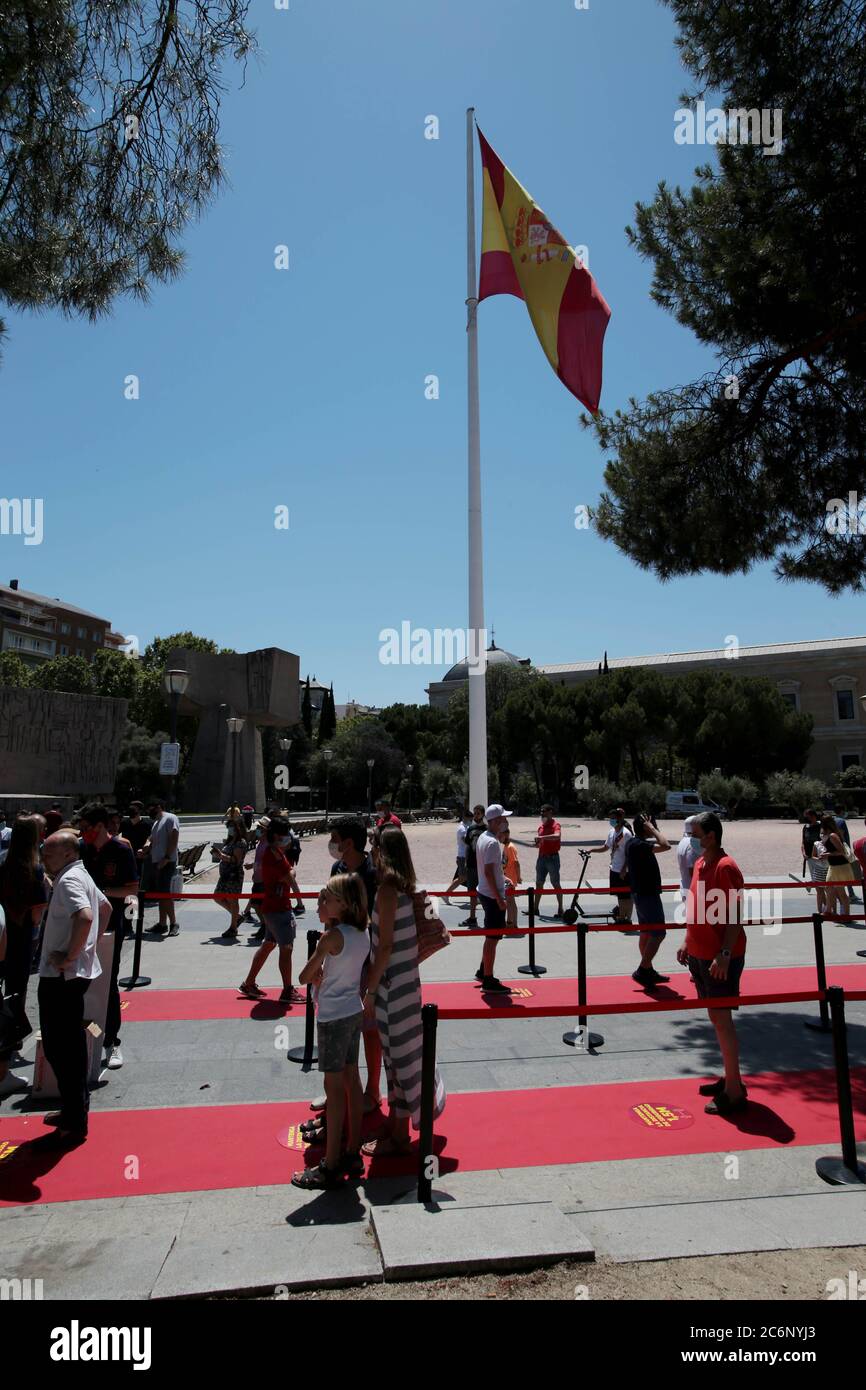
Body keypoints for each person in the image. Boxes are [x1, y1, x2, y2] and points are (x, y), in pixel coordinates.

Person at [361, 826, 445, 1156]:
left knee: (396, 1059)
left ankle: (398, 1136)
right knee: (401, 1056)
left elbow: (384, 948)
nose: (371, 852)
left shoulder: (386, 891)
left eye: (374, 847)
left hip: (390, 986)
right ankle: (395, 1126)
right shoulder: (406, 888)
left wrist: (369, 991)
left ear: (384, 852)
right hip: (407, 984)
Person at [292, 874, 371, 1188]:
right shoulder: (362, 933)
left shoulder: (331, 938)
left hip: (333, 1017)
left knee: (334, 1087)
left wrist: (317, 972)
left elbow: (303, 975)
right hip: (353, 1010)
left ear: (343, 903)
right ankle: (353, 1149)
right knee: (353, 1080)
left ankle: (332, 1162)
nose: (320, 904)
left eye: (326, 898)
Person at [37, 831, 112, 1145]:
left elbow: (86, 916)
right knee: (70, 1046)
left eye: (49, 854)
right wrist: (87, 950)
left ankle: (73, 1120)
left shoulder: (69, 881)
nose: (44, 859)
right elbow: (105, 909)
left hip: (61, 977)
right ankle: (74, 1109)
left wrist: (71, 955)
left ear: (68, 854)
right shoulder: (79, 874)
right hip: (73, 975)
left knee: (61, 1048)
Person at [677, 811, 747, 1115]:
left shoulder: (725, 866)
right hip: (700, 954)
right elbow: (697, 905)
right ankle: (730, 1078)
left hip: (719, 958)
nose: (691, 840)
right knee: (716, 1020)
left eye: (696, 834)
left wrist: (725, 953)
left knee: (722, 1021)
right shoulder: (702, 863)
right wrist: (686, 941)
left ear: (711, 836)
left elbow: (734, 913)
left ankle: (734, 1091)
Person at [78, 803, 140, 1071]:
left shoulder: (121, 850)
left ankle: (112, 1042)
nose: (83, 833)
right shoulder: (82, 849)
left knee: (108, 983)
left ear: (100, 826)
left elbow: (131, 890)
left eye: (86, 828)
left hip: (111, 927)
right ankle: (84, 1037)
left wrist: (99, 892)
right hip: (82, 927)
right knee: (81, 984)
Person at [326, 816, 381, 1114]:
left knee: (369, 1028)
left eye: (335, 838)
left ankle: (372, 1090)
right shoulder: (337, 868)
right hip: (338, 959)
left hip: (366, 960)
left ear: (348, 842)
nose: (332, 844)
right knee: (337, 1026)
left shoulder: (373, 873)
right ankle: (339, 1087)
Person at [0, 815, 49, 1069]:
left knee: (6, 988)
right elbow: (38, 911)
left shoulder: (4, 861)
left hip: (5, 932)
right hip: (24, 936)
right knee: (17, 991)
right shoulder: (35, 868)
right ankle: (10, 1043)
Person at [238, 816, 303, 1002]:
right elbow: (290, 876)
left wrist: (289, 873)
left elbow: (288, 874)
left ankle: (249, 983)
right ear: (275, 835)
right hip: (279, 909)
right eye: (284, 835)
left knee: (269, 944)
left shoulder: (276, 852)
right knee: (286, 948)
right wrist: (290, 875)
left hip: (273, 907)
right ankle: (288, 989)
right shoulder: (274, 854)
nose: (288, 838)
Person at [625, 812, 671, 988]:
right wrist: (652, 828)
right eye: (653, 824)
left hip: (640, 893)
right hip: (647, 894)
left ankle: (648, 969)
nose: (656, 827)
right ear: (645, 827)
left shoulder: (633, 843)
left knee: (646, 932)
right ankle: (643, 969)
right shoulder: (639, 844)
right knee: (659, 933)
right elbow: (666, 845)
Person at [472, 803, 513, 994]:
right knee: (493, 937)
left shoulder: (484, 838)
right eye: (503, 818)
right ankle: (488, 978)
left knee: (492, 936)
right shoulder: (492, 843)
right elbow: (488, 871)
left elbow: (489, 869)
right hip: (491, 894)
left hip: (486, 891)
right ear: (495, 821)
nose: (506, 821)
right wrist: (499, 899)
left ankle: (483, 970)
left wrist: (503, 877)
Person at [585, 807, 634, 927]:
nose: (611, 820)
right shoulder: (612, 832)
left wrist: (624, 869)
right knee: (620, 895)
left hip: (624, 870)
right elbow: (606, 847)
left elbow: (630, 854)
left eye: (613, 818)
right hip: (614, 868)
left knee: (626, 896)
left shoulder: (626, 833)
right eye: (610, 818)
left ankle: (625, 919)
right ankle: (623, 917)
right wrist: (592, 850)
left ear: (620, 819)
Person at [142, 799, 180, 936]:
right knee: (161, 894)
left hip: (167, 862)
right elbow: (151, 837)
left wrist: (167, 858)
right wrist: (147, 845)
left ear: (158, 807)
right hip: (157, 861)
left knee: (165, 893)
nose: (148, 812)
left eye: (150, 808)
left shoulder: (170, 818)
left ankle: (174, 923)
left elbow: (174, 837)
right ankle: (162, 923)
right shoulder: (157, 822)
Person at [214, 812, 248, 939]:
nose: (230, 829)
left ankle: (233, 927)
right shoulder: (230, 840)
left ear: (238, 828)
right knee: (217, 897)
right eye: (228, 827)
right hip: (225, 875)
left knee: (233, 900)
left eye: (232, 827)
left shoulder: (241, 842)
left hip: (233, 874)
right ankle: (237, 917)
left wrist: (222, 856)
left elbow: (236, 860)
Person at [814, 813, 851, 919]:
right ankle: (828, 910)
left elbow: (841, 851)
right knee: (829, 888)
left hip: (840, 866)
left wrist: (828, 854)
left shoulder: (833, 835)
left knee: (841, 891)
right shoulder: (830, 835)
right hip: (834, 865)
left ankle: (845, 915)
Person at [241, 816, 270, 939]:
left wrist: (254, 865)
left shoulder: (268, 845)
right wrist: (252, 865)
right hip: (257, 878)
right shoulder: (260, 843)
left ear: (265, 830)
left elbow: (268, 862)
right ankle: (264, 926)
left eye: (259, 828)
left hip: (264, 880)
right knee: (255, 904)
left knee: (259, 904)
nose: (257, 830)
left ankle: (266, 927)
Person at [533, 804, 564, 918]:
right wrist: (537, 843)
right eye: (541, 812)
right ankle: (535, 909)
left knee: (555, 883)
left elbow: (557, 836)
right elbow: (540, 844)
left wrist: (542, 838)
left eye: (544, 812)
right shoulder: (541, 827)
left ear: (550, 812)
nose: (542, 814)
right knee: (539, 883)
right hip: (541, 858)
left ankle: (560, 909)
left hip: (552, 858)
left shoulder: (556, 825)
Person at [460, 805, 486, 927]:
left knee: (485, 892)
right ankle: (472, 917)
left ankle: (488, 917)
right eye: (474, 813)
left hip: (482, 866)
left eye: (478, 813)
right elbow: (468, 846)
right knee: (472, 893)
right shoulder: (470, 829)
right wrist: (465, 861)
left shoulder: (487, 829)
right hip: (471, 864)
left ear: (483, 815)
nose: (476, 816)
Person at [802, 808, 827, 913]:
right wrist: (803, 852)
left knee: (824, 884)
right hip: (809, 857)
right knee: (818, 884)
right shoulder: (805, 827)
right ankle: (823, 907)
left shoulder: (820, 825)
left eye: (809, 816)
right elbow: (803, 841)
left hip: (820, 857)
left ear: (814, 816)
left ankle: (828, 906)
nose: (807, 819)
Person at [444, 807, 470, 906]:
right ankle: (446, 894)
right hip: (463, 856)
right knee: (462, 878)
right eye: (469, 819)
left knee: (470, 877)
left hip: (464, 856)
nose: (470, 821)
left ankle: (476, 896)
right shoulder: (462, 829)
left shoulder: (465, 827)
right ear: (465, 818)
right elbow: (466, 841)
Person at [500, 821, 521, 929]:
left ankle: (512, 923)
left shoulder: (510, 847)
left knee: (510, 901)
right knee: (509, 900)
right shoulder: (506, 846)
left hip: (510, 878)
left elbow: (516, 863)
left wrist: (518, 876)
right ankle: (511, 922)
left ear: (506, 834)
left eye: (501, 835)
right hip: (507, 878)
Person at [676, 816, 699, 904]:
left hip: (685, 886)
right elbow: (692, 870)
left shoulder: (683, 841)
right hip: (693, 890)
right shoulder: (693, 844)